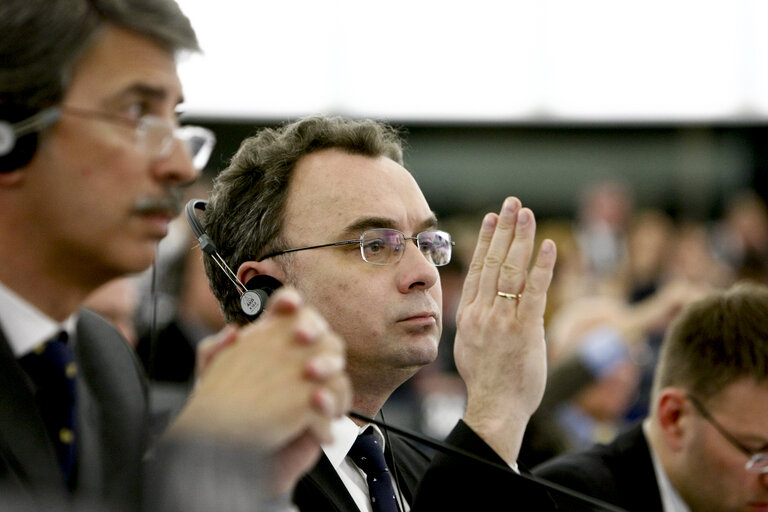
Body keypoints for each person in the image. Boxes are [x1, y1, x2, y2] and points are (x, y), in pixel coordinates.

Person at [0, 2, 350, 510]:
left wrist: (246, 482)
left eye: (175, 120)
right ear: (10, 136)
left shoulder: (105, 362)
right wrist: (204, 459)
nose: (181, 165)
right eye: (136, 112)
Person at [201, 115, 559, 511]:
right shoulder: (219, 478)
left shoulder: (427, 471)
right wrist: (494, 418)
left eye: (426, 243)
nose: (424, 273)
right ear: (265, 291)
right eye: (375, 245)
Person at [534, 281, 768, 511]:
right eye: (757, 453)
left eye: (631, 357)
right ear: (674, 418)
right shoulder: (565, 490)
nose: (619, 374)